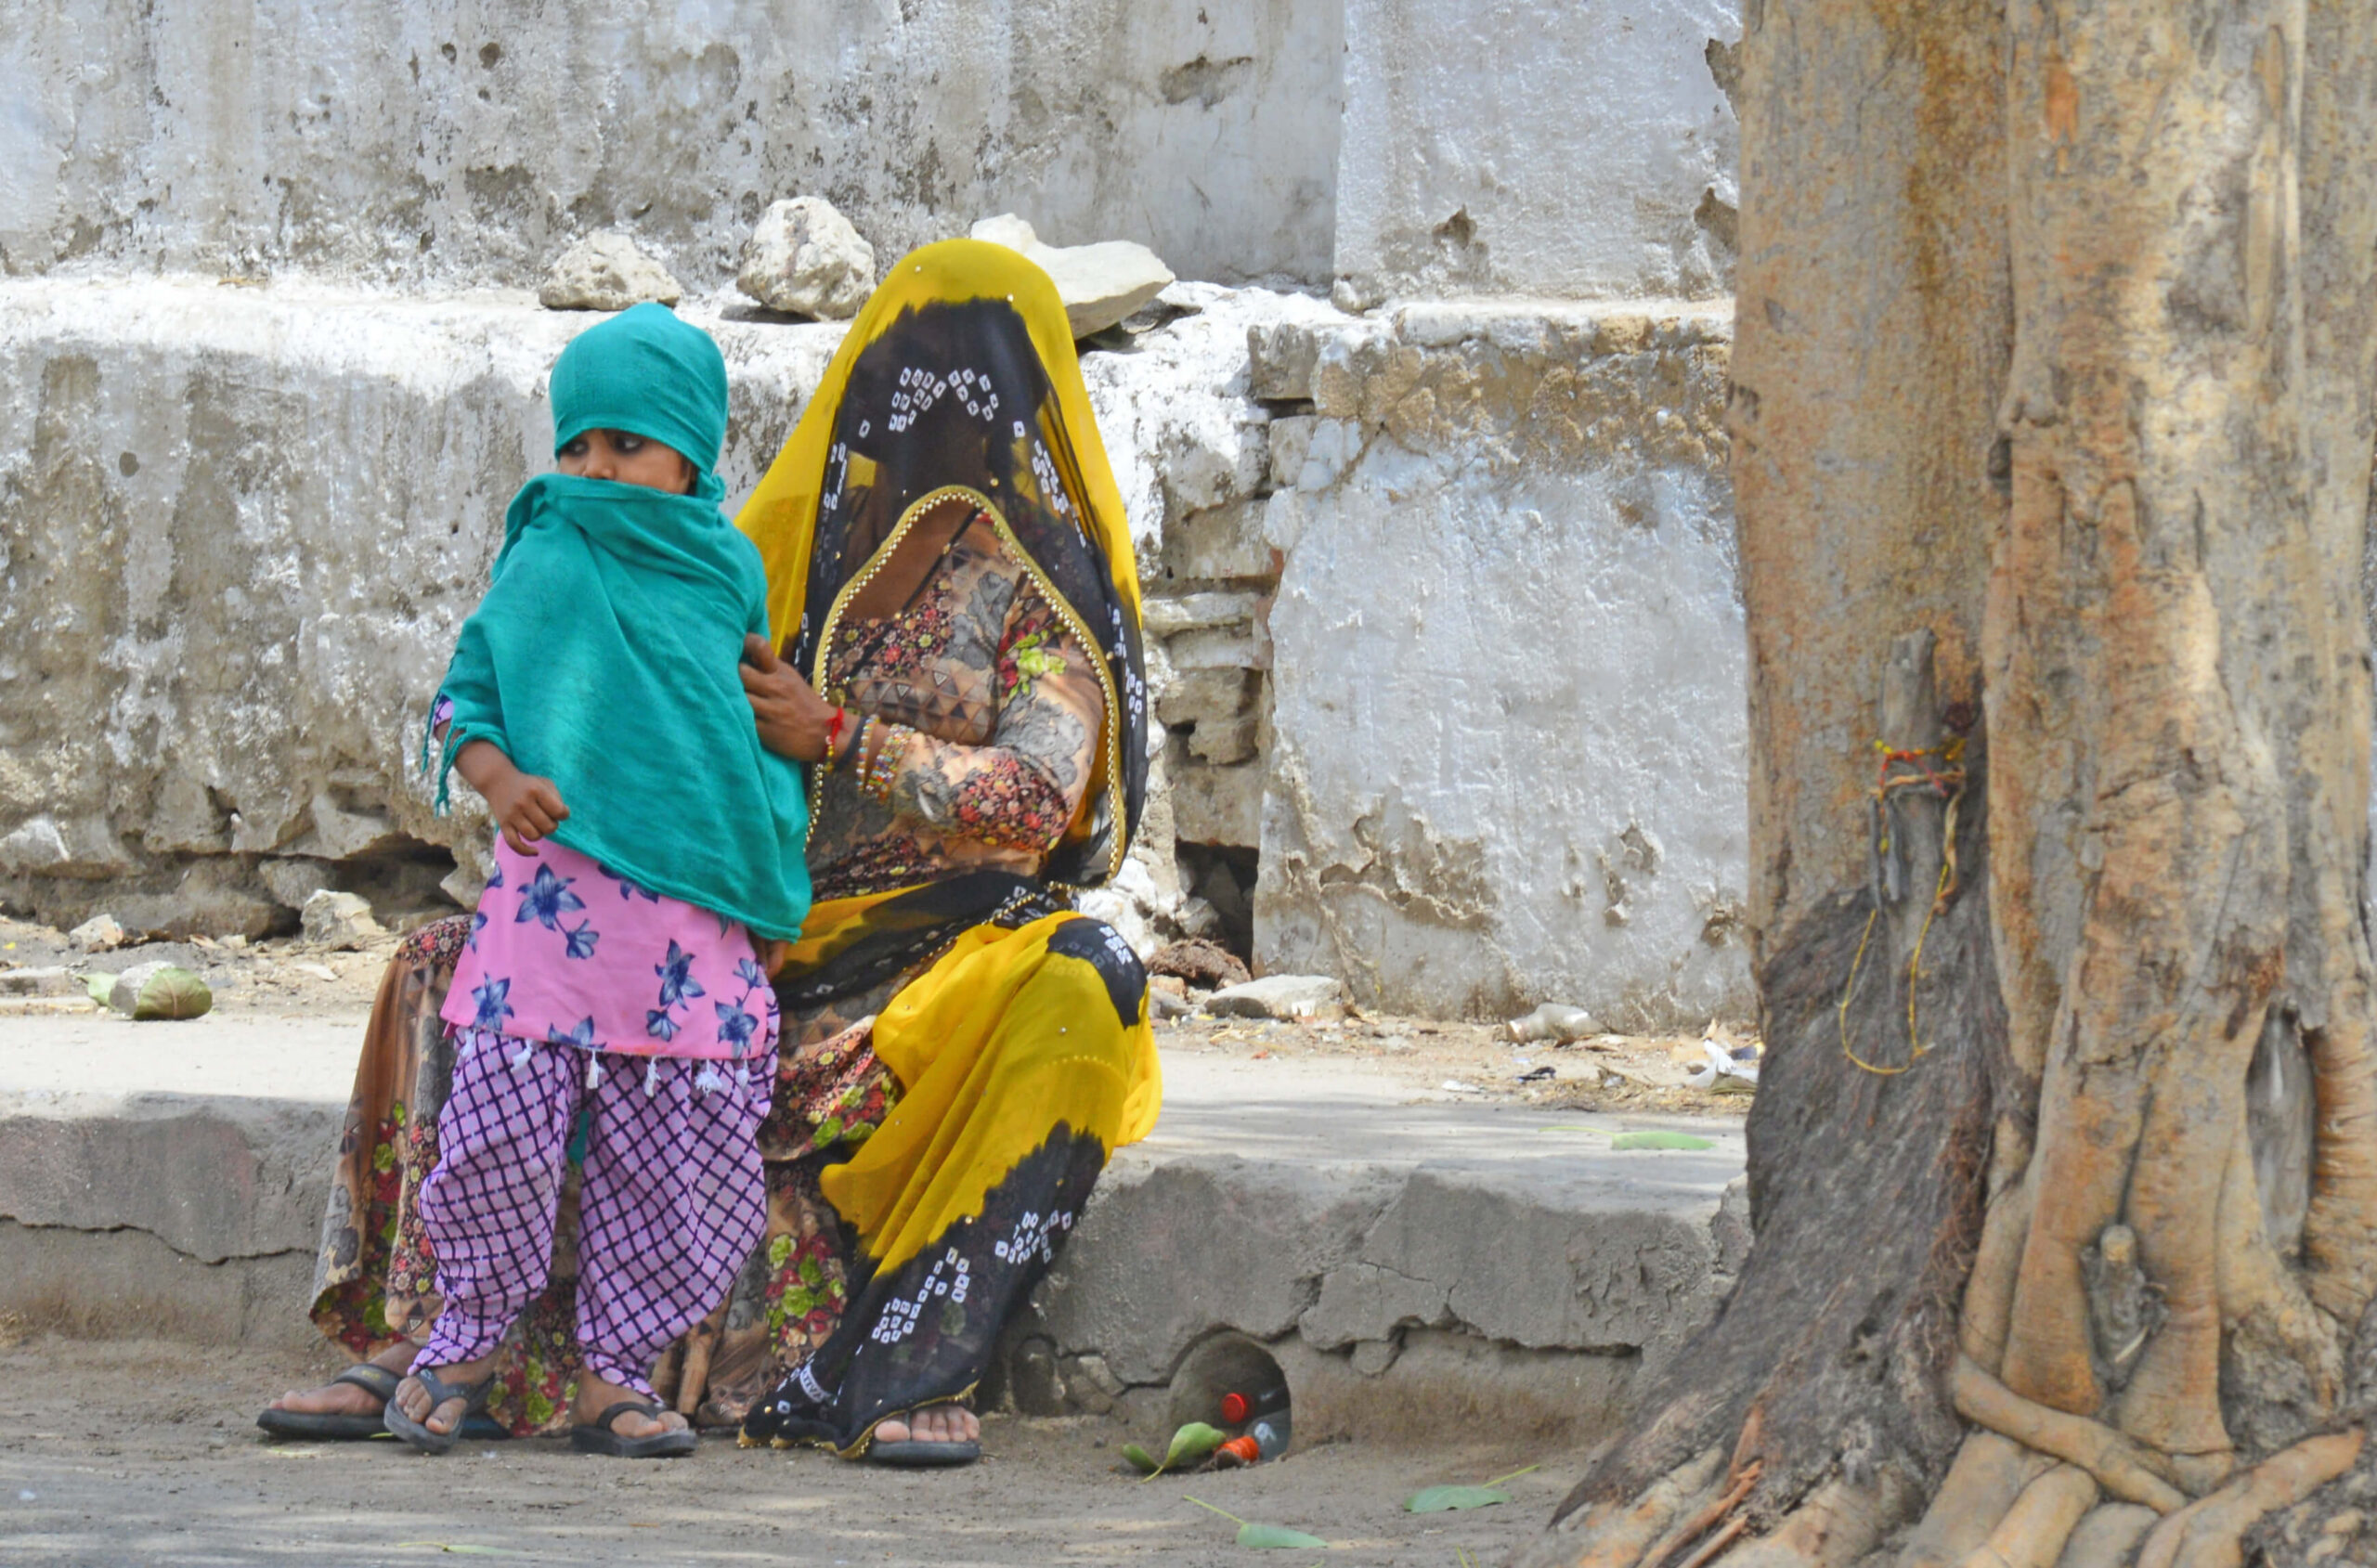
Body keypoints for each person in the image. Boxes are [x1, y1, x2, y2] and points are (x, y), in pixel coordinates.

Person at [261, 240, 1159, 1467]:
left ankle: (907, 1358)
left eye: (973, 374)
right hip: (740, 929)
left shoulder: (1030, 597)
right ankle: (421, 1345)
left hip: (920, 976)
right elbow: (598, 682)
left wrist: (838, 735)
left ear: (1030, 396)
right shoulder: (774, 548)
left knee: (1086, 979)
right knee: (440, 961)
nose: (936, 404)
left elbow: (1037, 804)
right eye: (905, 368)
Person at [375, 303, 811, 1458]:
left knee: (681, 1151)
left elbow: (749, 741)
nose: (595, 468)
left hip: (691, 927)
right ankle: (462, 1341)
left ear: (691, 452)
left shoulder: (727, 572)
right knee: (501, 1133)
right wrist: (503, 778)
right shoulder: (549, 548)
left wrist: (766, 893)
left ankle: (615, 1375)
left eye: (626, 444)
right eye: (577, 446)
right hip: (554, 918)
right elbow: (464, 696)